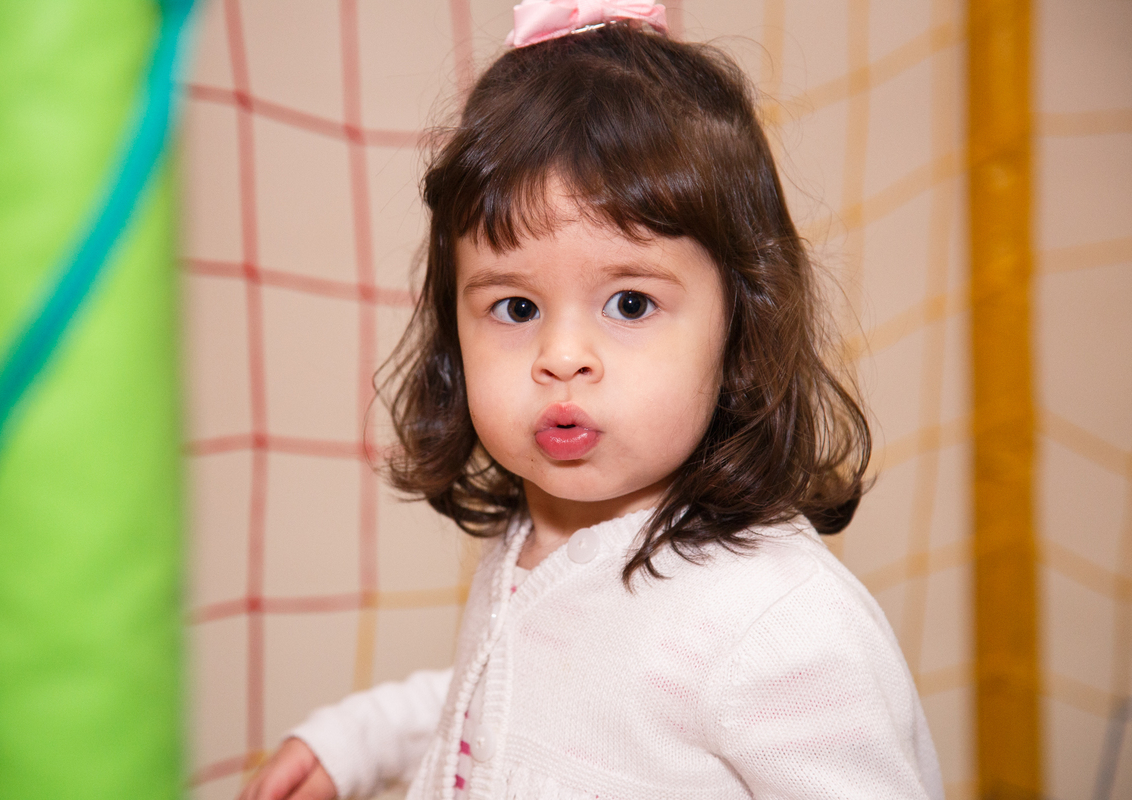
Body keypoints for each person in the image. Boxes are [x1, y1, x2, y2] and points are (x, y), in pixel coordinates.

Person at [240, 3, 944, 798]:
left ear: (741, 323)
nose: (562, 358)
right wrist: (355, 742)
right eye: (516, 308)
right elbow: (516, 701)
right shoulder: (537, 528)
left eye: (631, 304)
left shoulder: (779, 625)